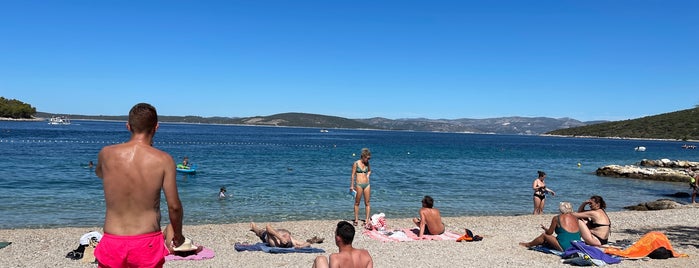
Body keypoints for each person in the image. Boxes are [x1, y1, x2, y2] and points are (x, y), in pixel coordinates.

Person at [94, 103, 185, 267]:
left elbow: (100, 174)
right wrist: (178, 235)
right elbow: (174, 206)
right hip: (146, 242)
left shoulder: (106, 153)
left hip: (112, 240)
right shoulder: (163, 160)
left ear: (128, 126)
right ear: (156, 127)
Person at [351, 148, 372, 227]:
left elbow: (369, 170)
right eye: (367, 158)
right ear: (363, 156)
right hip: (359, 184)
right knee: (357, 203)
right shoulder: (356, 163)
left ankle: (366, 220)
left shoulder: (367, 163)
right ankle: (356, 219)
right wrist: (352, 186)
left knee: (367, 203)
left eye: (369, 158)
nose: (368, 160)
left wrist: (368, 175)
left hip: (367, 184)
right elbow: (353, 175)